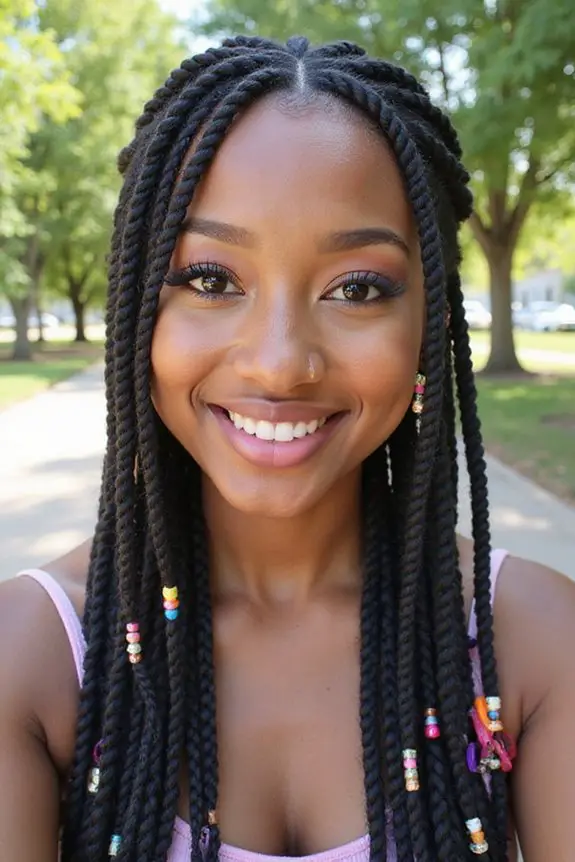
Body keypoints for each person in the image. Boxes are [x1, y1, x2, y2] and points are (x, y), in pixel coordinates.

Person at [0, 34, 573, 862]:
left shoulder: (530, 643)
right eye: (209, 279)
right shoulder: (35, 655)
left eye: (357, 288)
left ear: (430, 326)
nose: (278, 362)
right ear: (137, 310)